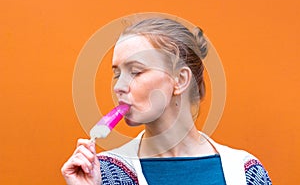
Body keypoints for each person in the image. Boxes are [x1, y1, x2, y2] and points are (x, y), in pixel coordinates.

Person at [61, 17, 272, 185]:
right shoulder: (105, 173)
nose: (118, 86)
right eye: (117, 74)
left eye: (135, 71)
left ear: (180, 80)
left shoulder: (246, 172)